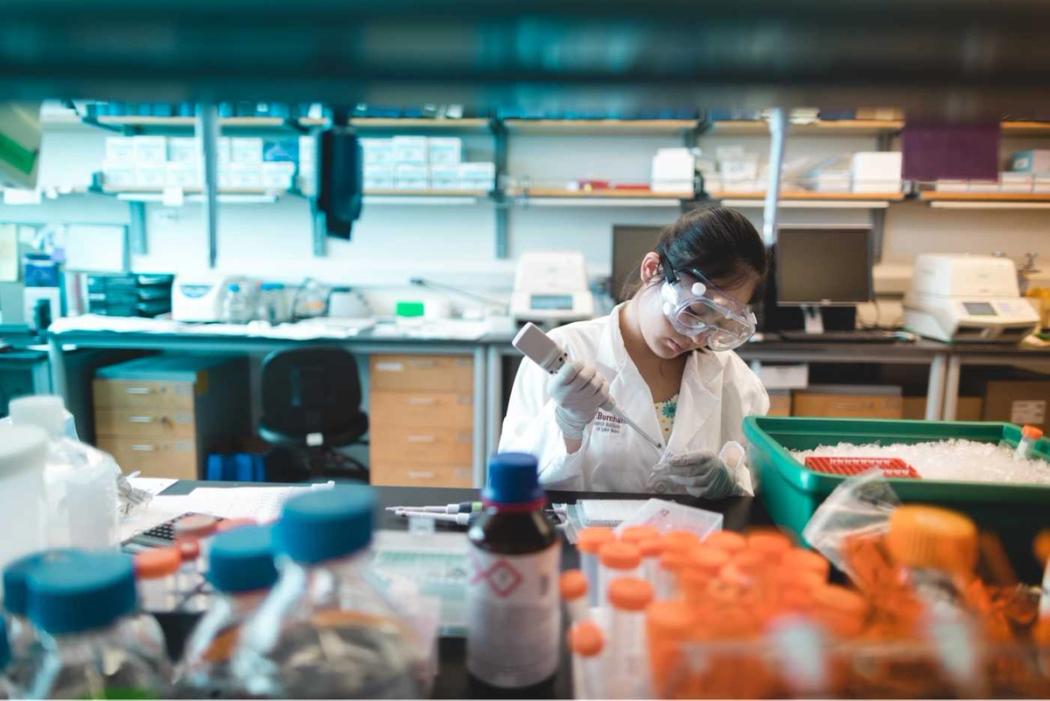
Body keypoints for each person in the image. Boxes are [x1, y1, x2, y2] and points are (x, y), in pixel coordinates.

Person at [499, 207, 769, 497]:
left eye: (718, 325)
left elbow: (757, 489)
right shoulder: (567, 350)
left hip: (689, 540)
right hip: (585, 541)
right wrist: (567, 425)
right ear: (652, 270)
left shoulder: (736, 380)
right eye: (692, 313)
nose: (698, 336)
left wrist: (729, 482)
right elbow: (511, 483)